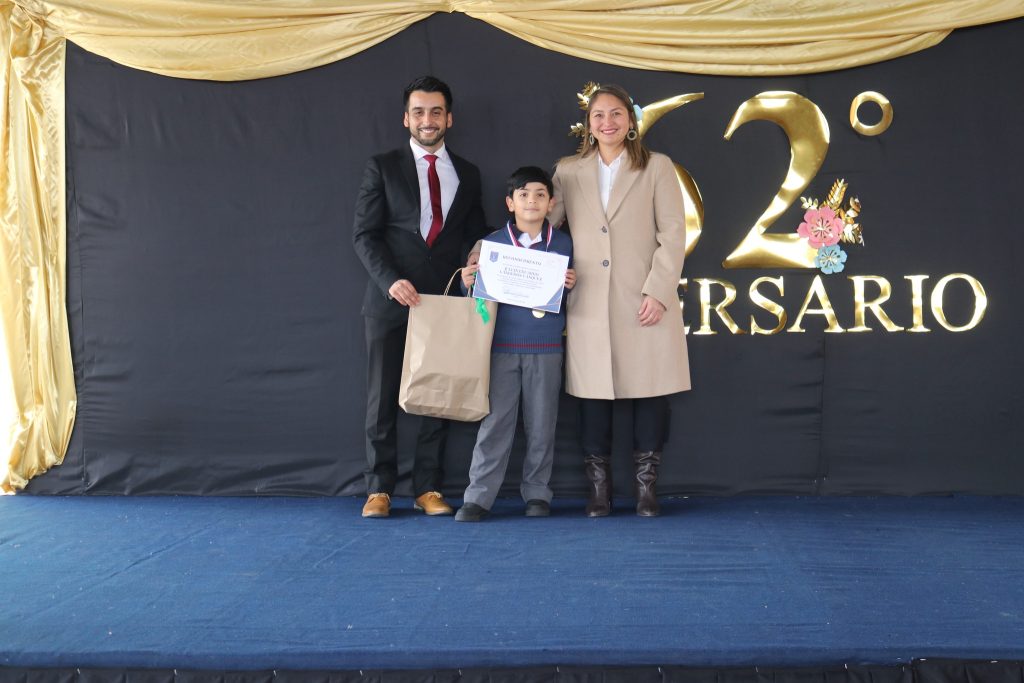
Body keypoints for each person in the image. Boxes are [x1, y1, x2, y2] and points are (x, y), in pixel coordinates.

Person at [548, 84, 690, 518]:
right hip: (588, 299)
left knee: (650, 394)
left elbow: (673, 233)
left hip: (643, 299)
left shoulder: (657, 166)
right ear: (588, 125)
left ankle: (647, 489)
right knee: (592, 397)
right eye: (598, 115)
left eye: (615, 114)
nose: (607, 122)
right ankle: (599, 490)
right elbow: (541, 227)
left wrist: (658, 291)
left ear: (630, 120)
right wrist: (490, 250)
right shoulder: (567, 170)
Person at [352, 76, 487, 518]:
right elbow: (364, 235)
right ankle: (378, 489)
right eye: (419, 112)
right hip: (390, 298)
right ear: (406, 118)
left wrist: (477, 252)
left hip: (443, 301)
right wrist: (390, 280)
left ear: (449, 118)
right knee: (382, 397)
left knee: (437, 396)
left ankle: (428, 488)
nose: (427, 120)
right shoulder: (382, 167)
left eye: (435, 112)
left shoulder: (467, 173)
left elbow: (474, 232)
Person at [454, 167, 575, 522]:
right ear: (510, 203)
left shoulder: (565, 244)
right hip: (501, 347)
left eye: (540, 195)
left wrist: (573, 284)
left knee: (542, 425)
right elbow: (477, 302)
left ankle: (537, 493)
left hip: (546, 347)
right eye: (523, 195)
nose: (531, 201)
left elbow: (578, 298)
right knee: (495, 424)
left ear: (551, 203)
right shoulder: (491, 245)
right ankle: (478, 496)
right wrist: (467, 283)